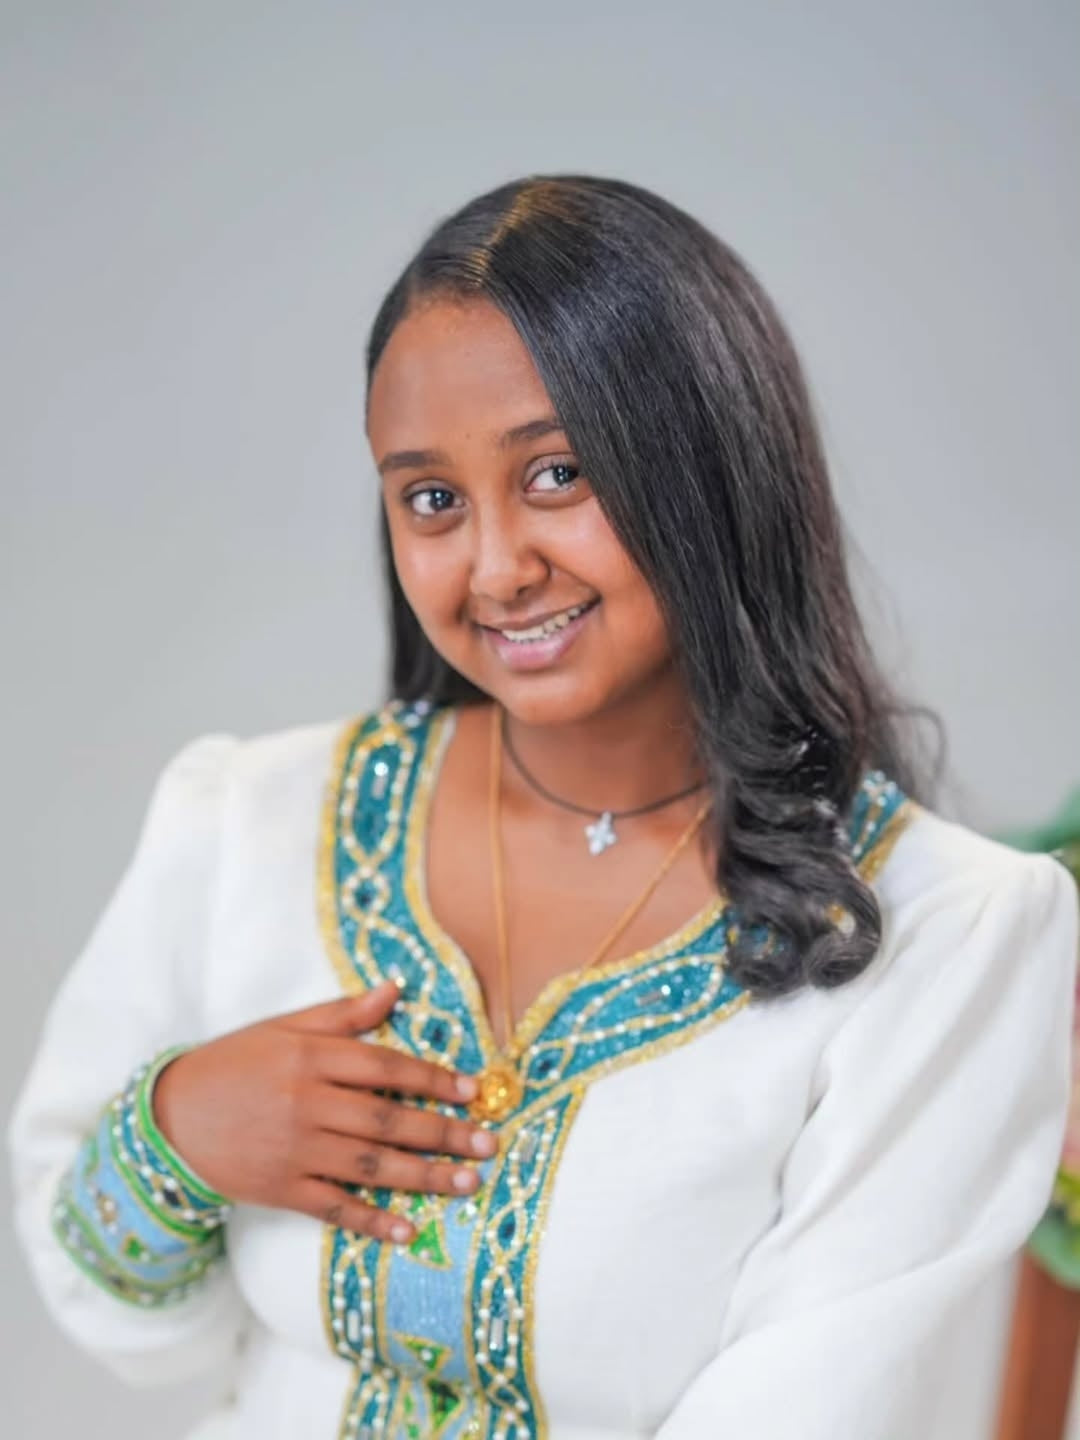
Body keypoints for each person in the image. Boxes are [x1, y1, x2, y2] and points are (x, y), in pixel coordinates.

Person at [9, 173, 1078, 1440]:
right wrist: (174, 1135)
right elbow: (109, 1303)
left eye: (559, 473)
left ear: (713, 472)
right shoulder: (249, 819)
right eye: (432, 499)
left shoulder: (945, 931)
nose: (499, 566)